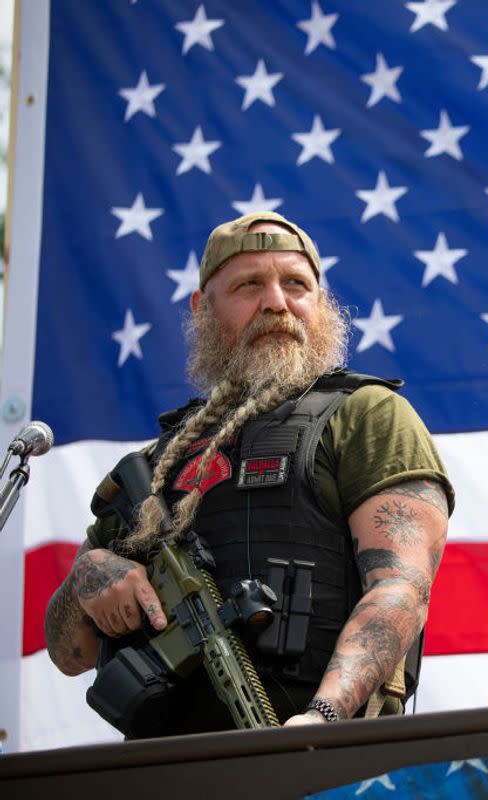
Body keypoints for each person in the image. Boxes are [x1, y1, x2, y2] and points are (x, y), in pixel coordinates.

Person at [43, 211, 453, 734]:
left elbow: (400, 589)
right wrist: (89, 575)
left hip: (324, 755)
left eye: (296, 285)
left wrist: (323, 717)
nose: (276, 303)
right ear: (203, 308)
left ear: (321, 305)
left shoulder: (366, 415)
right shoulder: (157, 465)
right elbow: (68, 652)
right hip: (165, 767)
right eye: (249, 285)